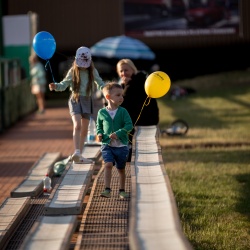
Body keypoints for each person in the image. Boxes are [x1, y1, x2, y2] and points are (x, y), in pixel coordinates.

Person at [49, 46, 105, 163]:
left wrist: (107, 91)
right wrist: (56, 86)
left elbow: (100, 83)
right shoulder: (73, 71)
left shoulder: (92, 71)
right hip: (75, 99)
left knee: (84, 129)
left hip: (87, 100)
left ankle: (80, 153)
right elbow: (64, 84)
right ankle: (77, 152)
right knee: (77, 125)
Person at [116, 59, 159, 161]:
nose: (123, 73)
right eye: (121, 71)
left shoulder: (139, 82)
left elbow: (124, 103)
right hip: (137, 123)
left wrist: (124, 86)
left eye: (126, 70)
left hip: (144, 123)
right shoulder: (131, 83)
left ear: (133, 69)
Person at [96, 82, 133, 199]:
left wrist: (118, 133)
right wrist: (99, 134)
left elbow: (129, 125)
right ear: (108, 97)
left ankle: (122, 190)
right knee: (107, 165)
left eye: (122, 95)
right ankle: (107, 189)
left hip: (121, 146)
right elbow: (99, 126)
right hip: (107, 145)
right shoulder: (101, 112)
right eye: (118, 95)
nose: (121, 97)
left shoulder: (123, 111)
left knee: (121, 169)